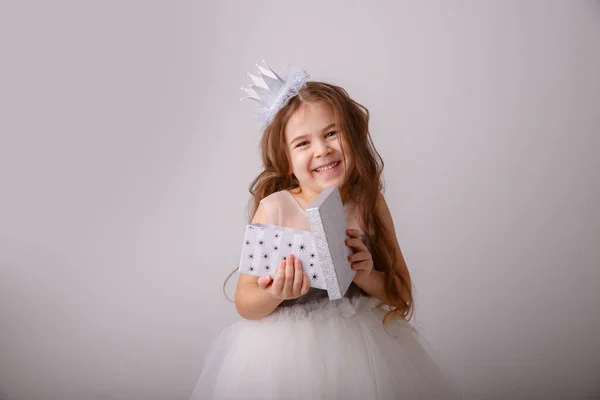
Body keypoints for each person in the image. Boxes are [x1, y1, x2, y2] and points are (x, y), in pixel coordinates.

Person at [189, 62, 462, 399]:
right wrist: (276, 293)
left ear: (353, 136)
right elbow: (245, 302)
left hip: (365, 352)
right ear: (287, 160)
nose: (322, 149)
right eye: (303, 143)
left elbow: (400, 295)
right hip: (285, 361)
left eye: (332, 133)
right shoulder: (275, 208)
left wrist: (363, 274)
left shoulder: (368, 204)